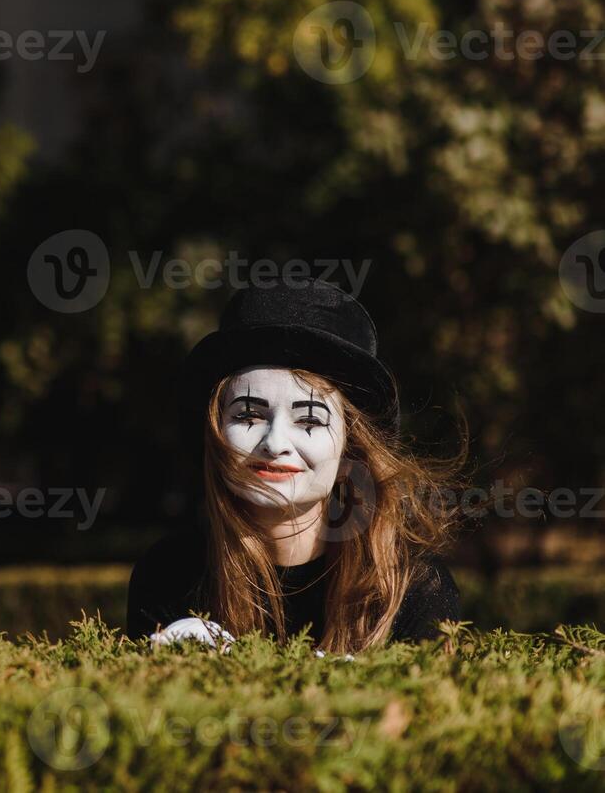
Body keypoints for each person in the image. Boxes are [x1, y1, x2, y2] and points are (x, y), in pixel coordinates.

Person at [126, 278, 461, 652]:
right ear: (215, 431)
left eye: (310, 420)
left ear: (351, 444)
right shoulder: (169, 575)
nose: (275, 444)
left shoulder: (412, 587)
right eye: (249, 415)